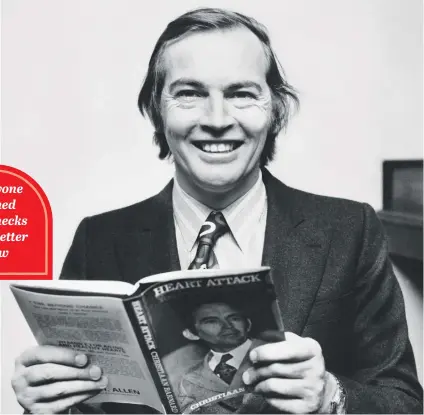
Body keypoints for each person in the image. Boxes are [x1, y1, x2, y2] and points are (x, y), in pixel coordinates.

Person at [11, 7, 423, 414]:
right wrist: (49, 405)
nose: (217, 120)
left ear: (275, 108)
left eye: (241, 94)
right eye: (190, 93)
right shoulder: (98, 240)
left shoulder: (350, 231)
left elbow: (403, 401)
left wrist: (331, 396)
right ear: (158, 108)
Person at [178, 301, 266, 413]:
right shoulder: (189, 380)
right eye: (212, 321)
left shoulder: (275, 350)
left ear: (248, 324)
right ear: (191, 334)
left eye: (234, 318)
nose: (228, 325)